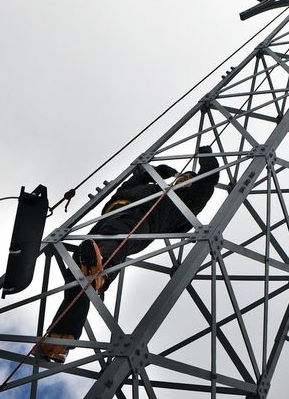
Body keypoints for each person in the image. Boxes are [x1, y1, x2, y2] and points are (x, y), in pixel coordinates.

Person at [38, 146, 220, 363]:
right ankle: (60, 339)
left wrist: (205, 155)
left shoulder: (186, 202)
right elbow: (128, 185)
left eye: (188, 179)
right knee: (78, 272)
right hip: (112, 215)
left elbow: (210, 178)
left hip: (142, 219)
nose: (182, 178)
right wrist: (158, 172)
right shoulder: (153, 187)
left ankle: (101, 272)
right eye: (182, 175)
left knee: (107, 250)